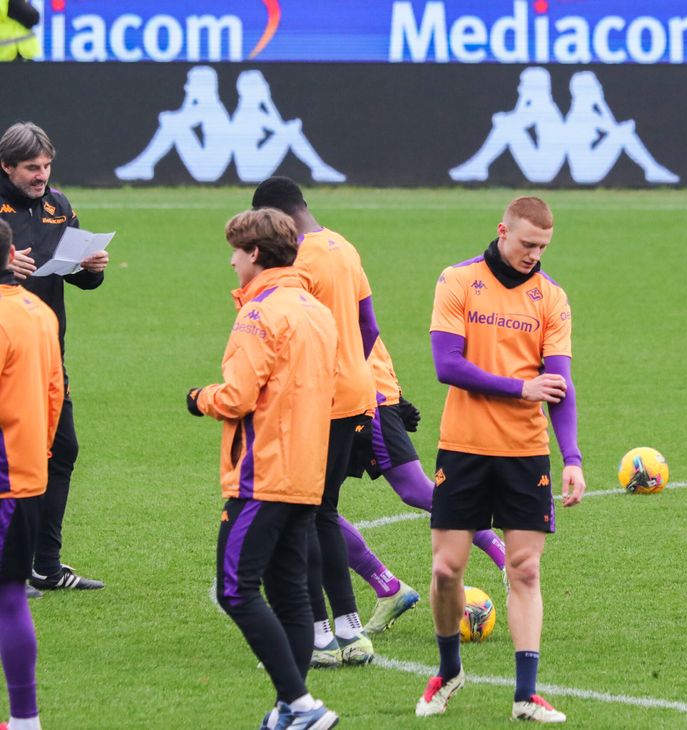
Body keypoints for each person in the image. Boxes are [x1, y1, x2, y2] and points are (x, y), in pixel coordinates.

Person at [417, 196, 585, 722]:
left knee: (525, 569)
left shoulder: (552, 298)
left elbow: (559, 386)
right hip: (463, 448)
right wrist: (520, 387)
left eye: (543, 247)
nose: (535, 254)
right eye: (528, 244)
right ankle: (448, 671)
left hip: (524, 453)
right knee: (447, 571)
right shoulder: (458, 281)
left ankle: (525, 694)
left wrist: (572, 457)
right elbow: (448, 365)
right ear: (503, 231)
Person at [188, 208, 340, 729]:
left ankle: (301, 705)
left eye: (236, 251)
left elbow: (235, 397)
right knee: (291, 593)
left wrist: (197, 397)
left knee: (235, 589)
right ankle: (287, 711)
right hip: (305, 473)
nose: (231, 261)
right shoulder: (317, 311)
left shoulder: (259, 314)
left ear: (255, 254)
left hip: (263, 474)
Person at [251, 176, 377, 668]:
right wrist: (350, 369)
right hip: (352, 392)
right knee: (324, 510)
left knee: (299, 514)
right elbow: (369, 326)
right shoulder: (342, 246)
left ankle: (317, 635)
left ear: (278, 219)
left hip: (313, 400)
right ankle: (350, 629)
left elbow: (292, 329)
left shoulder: (296, 260)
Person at [0, 122, 107, 592]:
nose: (41, 175)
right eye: (31, 168)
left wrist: (90, 269)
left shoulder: (57, 206)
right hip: (6, 355)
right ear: (6, 166)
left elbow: (78, 278)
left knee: (62, 450)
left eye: (46, 166)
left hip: (47, 354)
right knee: (11, 460)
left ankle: (45, 565)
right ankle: (11, 569)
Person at [343, 335, 509, 635]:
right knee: (316, 507)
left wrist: (392, 393)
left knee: (314, 507)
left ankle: (385, 588)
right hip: (360, 398)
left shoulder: (323, 288)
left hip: (359, 402)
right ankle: (387, 588)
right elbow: (367, 330)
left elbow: (363, 330)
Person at [0, 218, 63, 730]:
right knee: (11, 596)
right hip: (25, 474)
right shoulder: (38, 311)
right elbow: (54, 392)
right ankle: (25, 720)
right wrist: (36, 452)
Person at [115, 66, 232, 183]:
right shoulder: (209, 105)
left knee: (173, 126)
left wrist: (188, 99)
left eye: (190, 83)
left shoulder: (209, 108)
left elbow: (174, 120)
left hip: (208, 170)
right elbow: (182, 116)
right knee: (174, 126)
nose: (186, 87)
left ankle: (143, 165)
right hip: (206, 165)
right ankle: (143, 165)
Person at [449, 67, 566, 184]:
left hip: (543, 171)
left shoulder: (544, 107)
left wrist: (504, 118)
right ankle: (478, 166)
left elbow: (517, 120)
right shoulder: (539, 104)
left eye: (524, 84)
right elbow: (517, 115)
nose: (519, 88)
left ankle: (478, 166)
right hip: (540, 167)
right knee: (508, 126)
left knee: (507, 127)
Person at [563, 70, 678, 184]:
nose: (599, 88)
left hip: (588, 167)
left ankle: (652, 169)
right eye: (596, 85)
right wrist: (600, 101)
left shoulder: (586, 111)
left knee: (623, 132)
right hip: (585, 171)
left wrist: (600, 102)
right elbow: (613, 129)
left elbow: (612, 126)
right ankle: (652, 169)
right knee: (624, 133)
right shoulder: (581, 114)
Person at [233, 71, 345, 184]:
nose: (266, 87)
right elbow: (280, 128)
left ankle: (319, 168)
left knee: (290, 131)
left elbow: (279, 126)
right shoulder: (249, 113)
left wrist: (267, 101)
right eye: (262, 84)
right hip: (251, 171)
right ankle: (319, 168)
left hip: (253, 167)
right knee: (290, 131)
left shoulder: (251, 110)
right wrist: (267, 100)